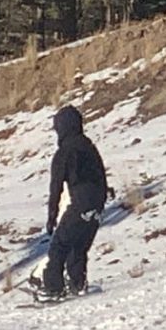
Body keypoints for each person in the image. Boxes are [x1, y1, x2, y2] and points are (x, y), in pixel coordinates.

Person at [40, 105, 110, 300]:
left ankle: (53, 289)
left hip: (81, 201)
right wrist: (100, 204)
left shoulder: (64, 152)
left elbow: (56, 188)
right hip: (97, 204)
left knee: (59, 245)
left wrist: (52, 217)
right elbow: (102, 176)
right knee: (78, 246)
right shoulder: (89, 147)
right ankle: (78, 283)